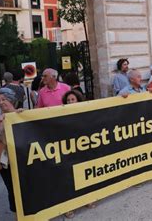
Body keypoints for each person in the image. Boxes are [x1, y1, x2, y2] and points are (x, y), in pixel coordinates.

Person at [60, 89, 96, 218]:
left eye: (73, 100)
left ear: (78, 101)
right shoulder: (60, 116)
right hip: (69, 152)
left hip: (83, 150)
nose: (70, 102)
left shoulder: (85, 113)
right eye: (68, 100)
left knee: (85, 175)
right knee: (69, 178)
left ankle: (87, 199)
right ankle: (68, 206)